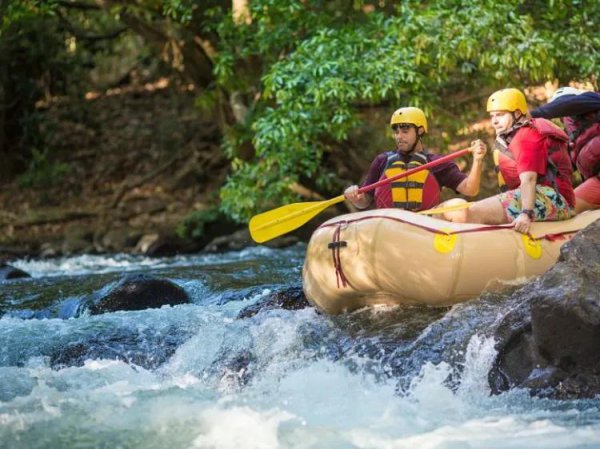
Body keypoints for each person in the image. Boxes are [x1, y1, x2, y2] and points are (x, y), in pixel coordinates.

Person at [444, 88, 575, 234]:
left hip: (554, 200)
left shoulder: (526, 135)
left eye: (500, 115)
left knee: (468, 214)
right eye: (492, 116)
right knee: (463, 211)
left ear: (517, 114)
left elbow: (529, 179)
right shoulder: (516, 136)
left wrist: (526, 214)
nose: (494, 121)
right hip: (548, 197)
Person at [344, 107, 486, 212]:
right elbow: (364, 201)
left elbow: (470, 189)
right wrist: (356, 197)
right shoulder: (382, 161)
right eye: (396, 132)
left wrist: (478, 160)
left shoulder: (436, 162)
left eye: (405, 131)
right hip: (389, 225)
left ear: (420, 131)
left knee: (458, 204)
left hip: (422, 227)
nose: (399, 136)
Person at [531, 87, 600, 213]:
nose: (565, 116)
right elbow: (559, 169)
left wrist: (533, 114)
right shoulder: (571, 142)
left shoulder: (592, 99)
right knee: (566, 207)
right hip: (597, 181)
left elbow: (569, 104)